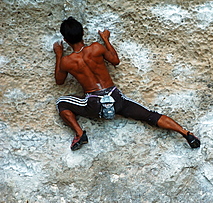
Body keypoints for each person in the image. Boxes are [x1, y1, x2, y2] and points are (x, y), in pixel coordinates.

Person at [53, 17, 200, 151]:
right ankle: (186, 133)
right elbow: (115, 61)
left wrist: (59, 55)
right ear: (82, 33)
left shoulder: (67, 61)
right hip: (115, 99)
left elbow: (59, 81)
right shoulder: (97, 47)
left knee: (61, 103)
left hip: (94, 104)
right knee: (150, 116)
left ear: (65, 40)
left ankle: (79, 133)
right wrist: (106, 40)